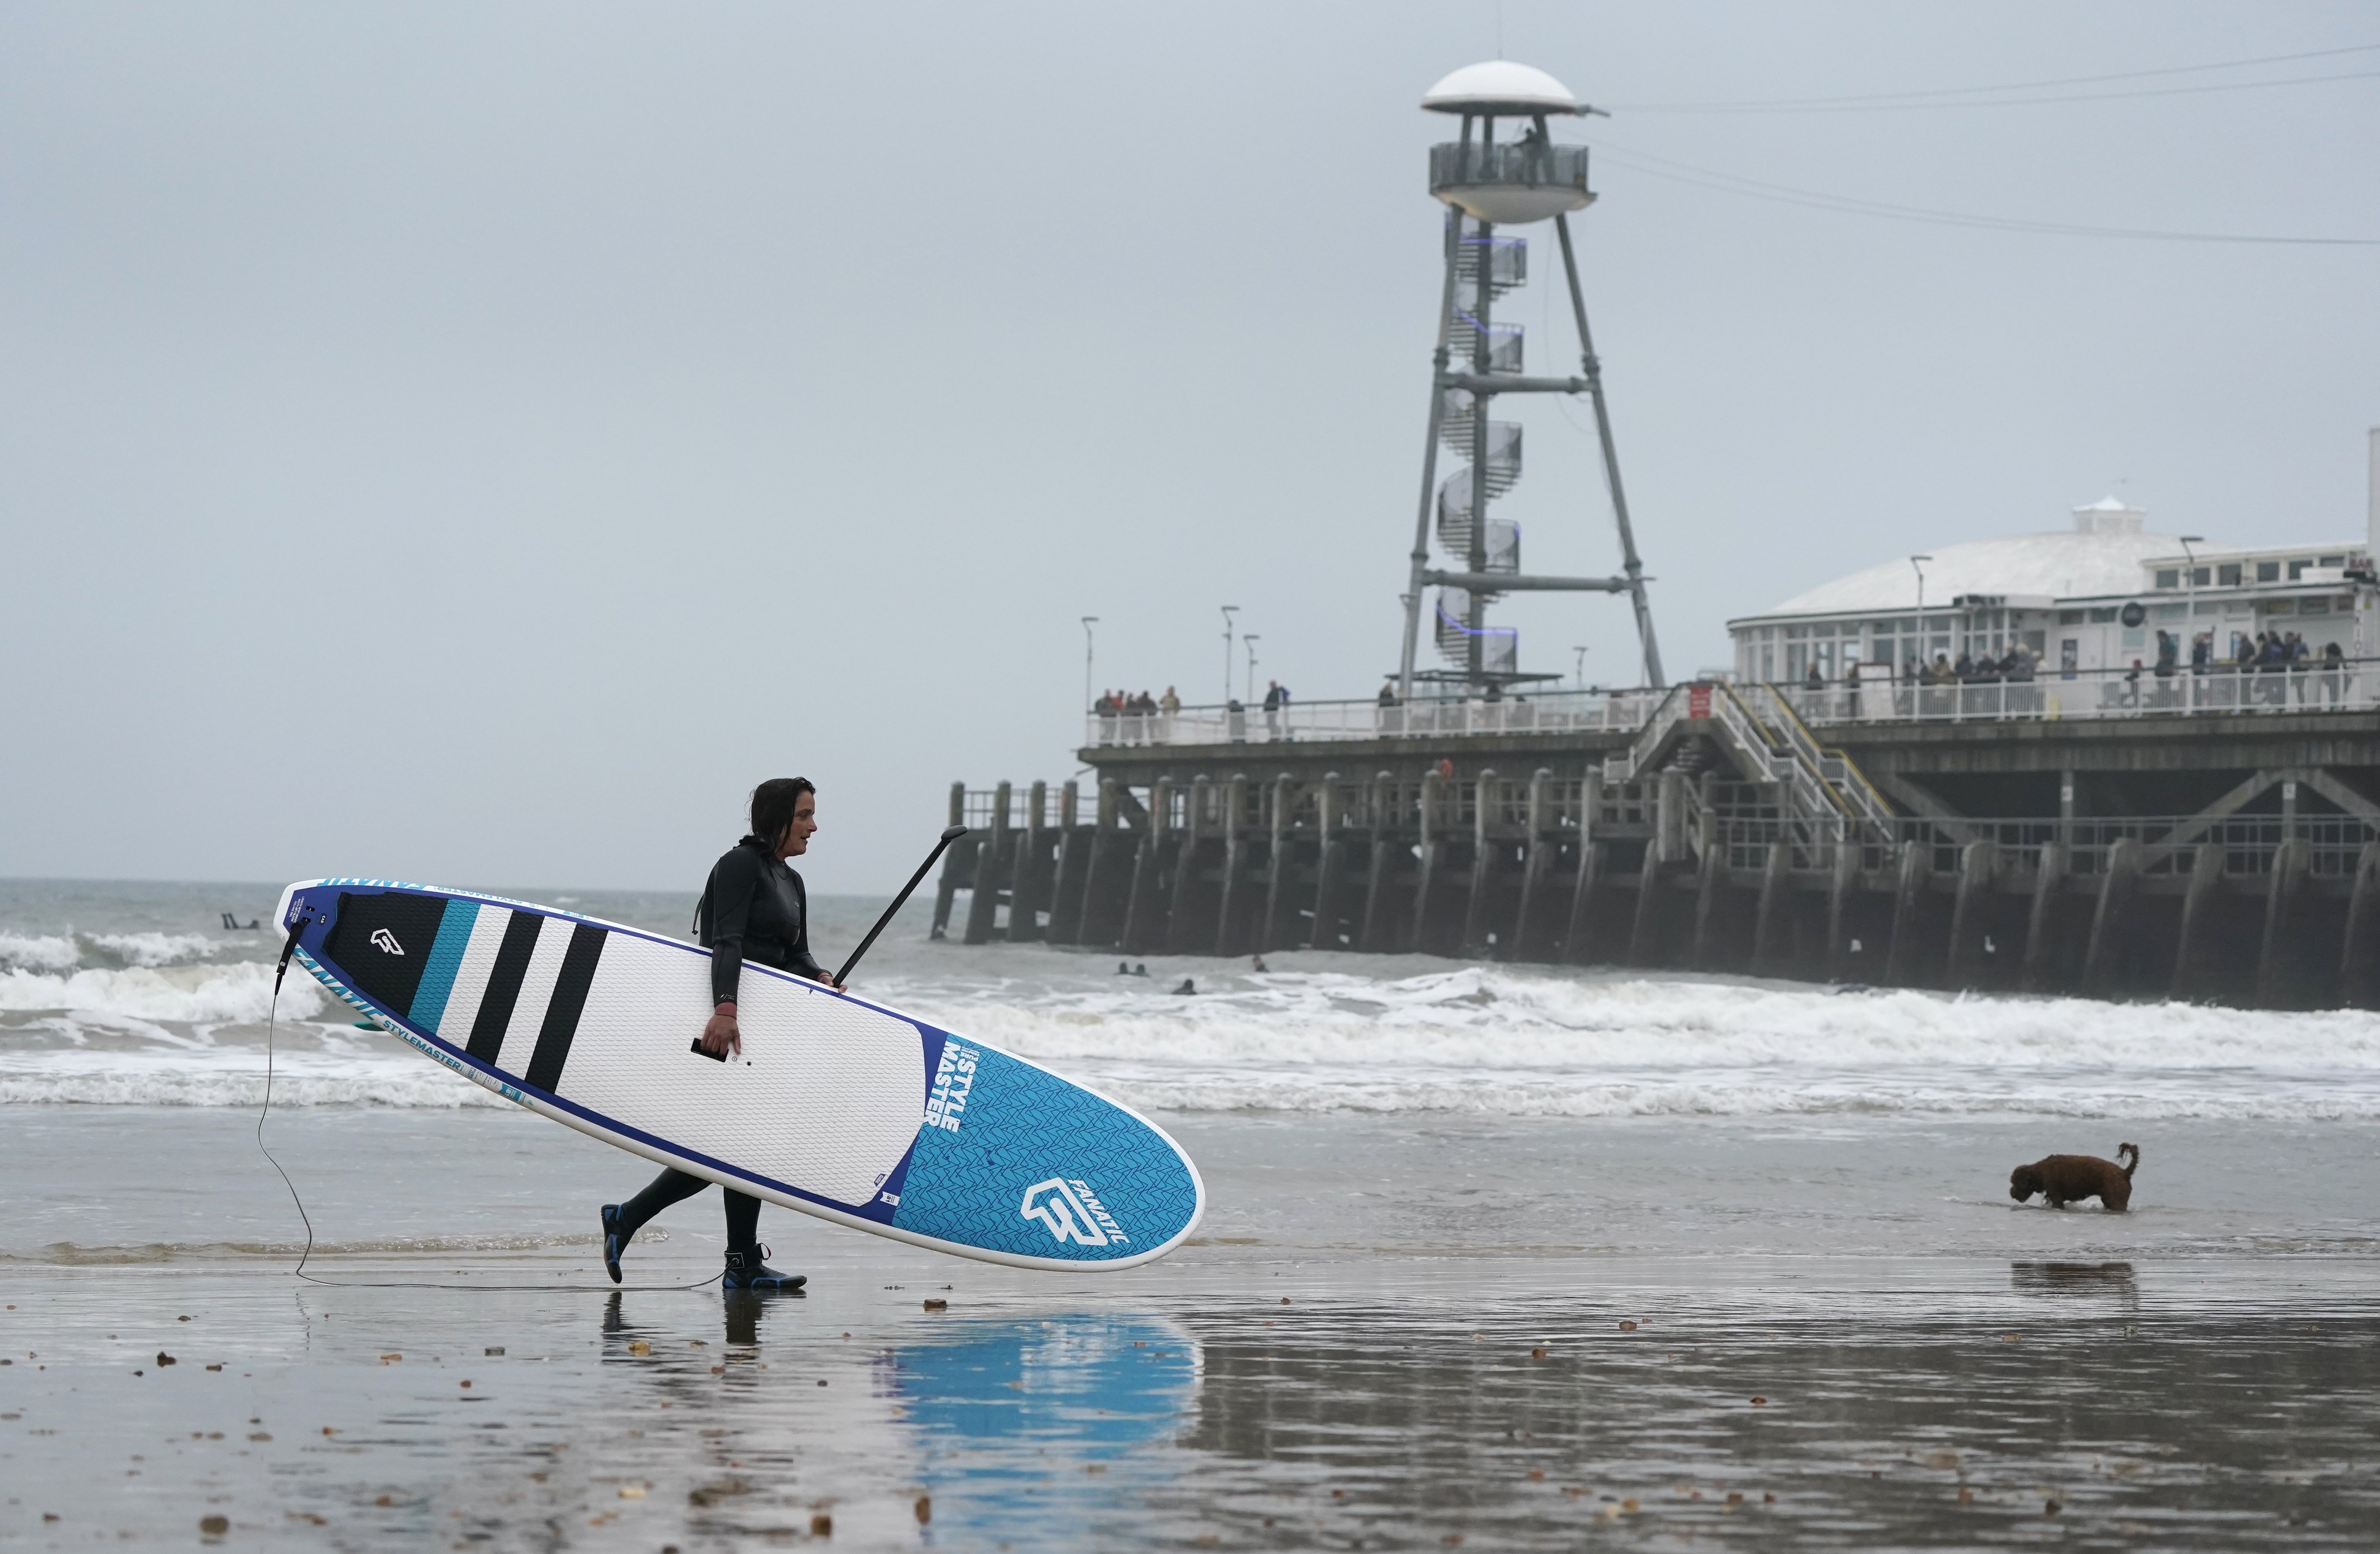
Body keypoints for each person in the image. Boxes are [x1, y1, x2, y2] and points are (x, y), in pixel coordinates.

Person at [599, 778, 835, 1293]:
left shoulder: (790, 882)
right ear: (776, 818)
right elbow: (723, 940)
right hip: (722, 1025)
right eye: (804, 815)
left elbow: (795, 951)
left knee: (737, 1147)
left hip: (762, 1029)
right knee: (735, 1146)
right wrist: (724, 1009)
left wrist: (818, 975)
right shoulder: (739, 865)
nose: (813, 826)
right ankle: (731, 1260)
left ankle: (664, 1232)